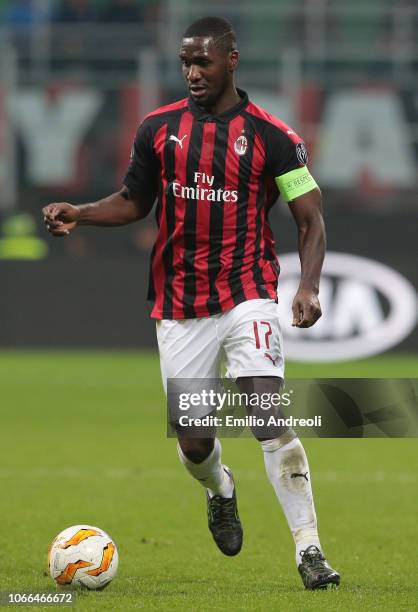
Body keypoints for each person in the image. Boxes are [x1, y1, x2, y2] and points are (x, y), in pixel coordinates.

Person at [43, 16, 340, 590]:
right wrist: (80, 212)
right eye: (185, 62)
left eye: (202, 62)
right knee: (195, 440)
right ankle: (219, 489)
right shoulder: (158, 128)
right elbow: (134, 200)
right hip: (180, 302)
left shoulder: (274, 136)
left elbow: (311, 217)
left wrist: (307, 286)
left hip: (247, 291)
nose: (192, 73)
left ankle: (310, 552)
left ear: (231, 60)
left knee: (266, 414)